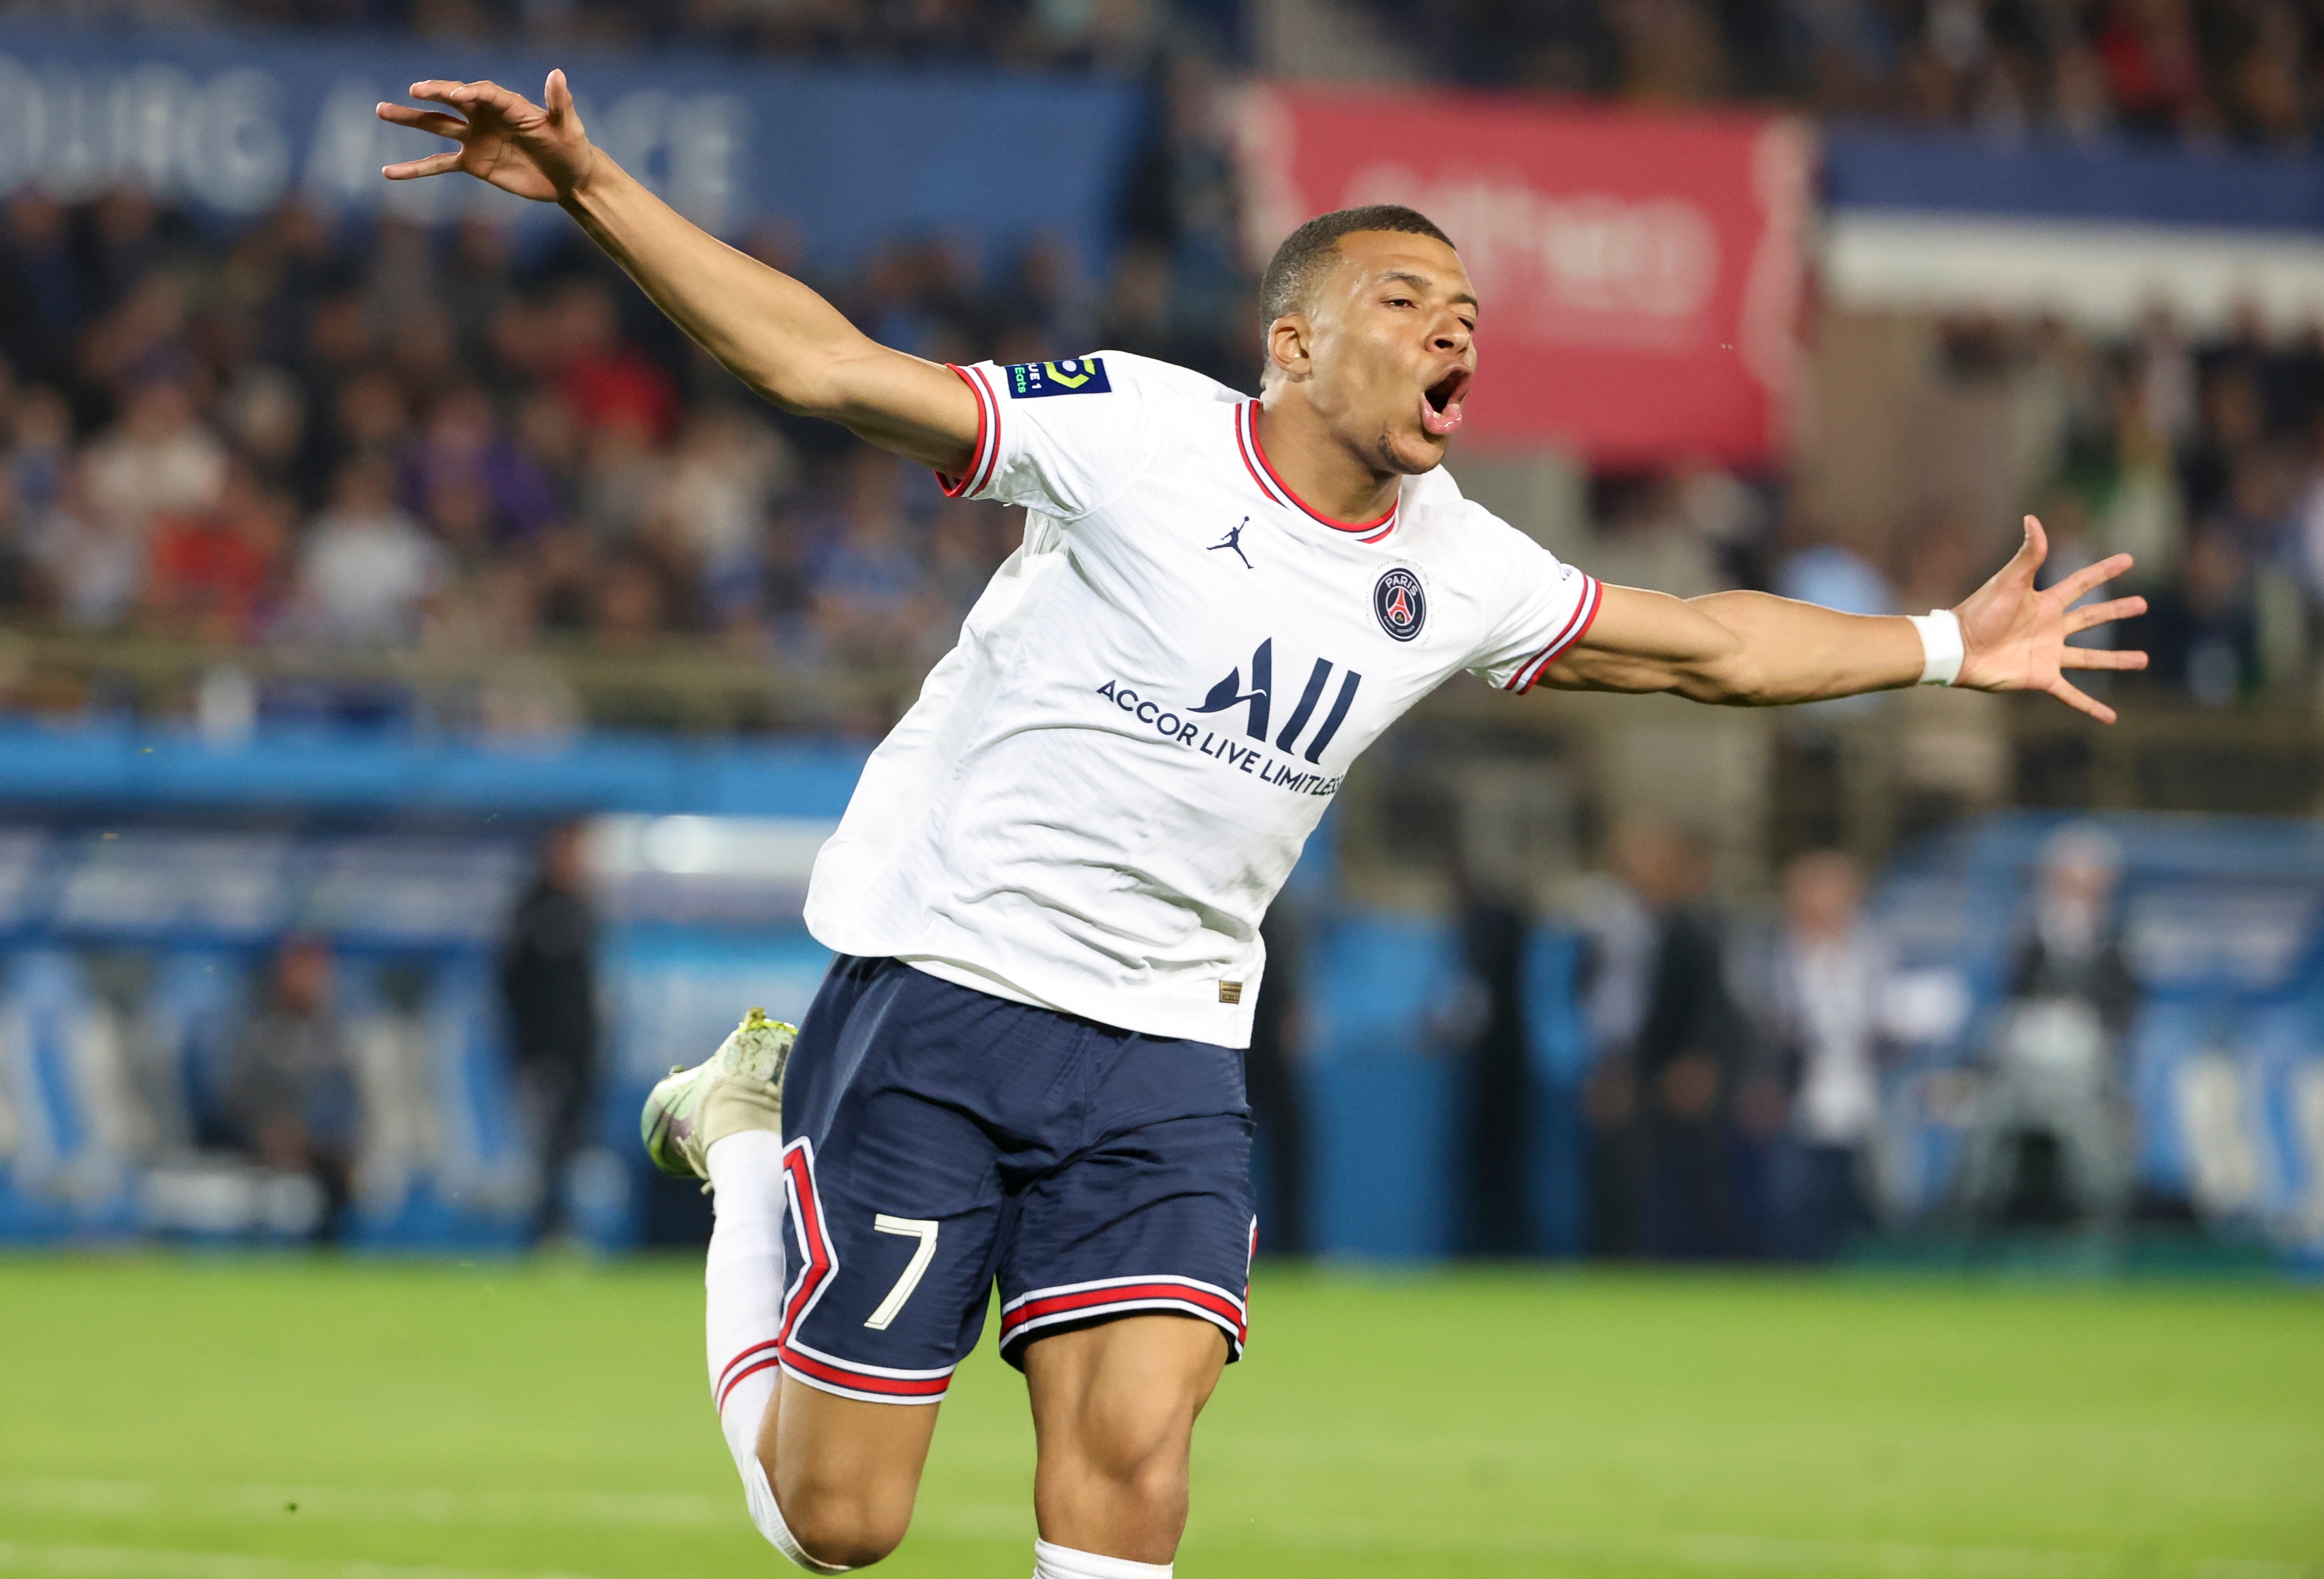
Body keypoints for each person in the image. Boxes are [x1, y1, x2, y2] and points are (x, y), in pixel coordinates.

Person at [372, 71, 2150, 1579]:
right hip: (947, 987)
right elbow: (830, 369)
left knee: (1135, 1453)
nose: (1451, 323)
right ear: (1290, 342)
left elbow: (1700, 646)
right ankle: (753, 1133)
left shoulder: (1455, 564)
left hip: (1167, 1042)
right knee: (843, 1523)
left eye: (1465, 307)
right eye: (1401, 296)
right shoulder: (1140, 431)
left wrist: (1937, 646)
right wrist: (597, 193)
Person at [1962, 824, 2141, 1229]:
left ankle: (2101, 1227)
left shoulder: (2114, 941)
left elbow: (2124, 1006)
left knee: (2098, 1144)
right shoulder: (2027, 934)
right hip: (2024, 1061)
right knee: (1987, 1134)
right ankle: (1974, 1223)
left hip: (2086, 1065)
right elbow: (2007, 995)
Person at [1751, 851, 1893, 1261]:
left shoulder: (1872, 950)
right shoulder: (1772, 951)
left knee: (1855, 1193)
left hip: (1860, 1084)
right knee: (1793, 1194)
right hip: (1797, 1085)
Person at [498, 821, 601, 1246]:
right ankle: (542, 1231)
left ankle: (558, 1228)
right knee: (545, 1144)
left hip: (580, 1049)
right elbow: (509, 983)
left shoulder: (583, 910)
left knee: (569, 1143)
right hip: (542, 1051)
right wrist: (526, 1045)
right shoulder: (532, 911)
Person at [226, 935, 358, 1240]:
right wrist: (269, 1133)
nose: (315, 981)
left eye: (320, 972)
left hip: (322, 1158)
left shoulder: (334, 1038)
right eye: (304, 971)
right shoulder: (255, 1034)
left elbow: (347, 1105)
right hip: (261, 1155)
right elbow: (234, 1102)